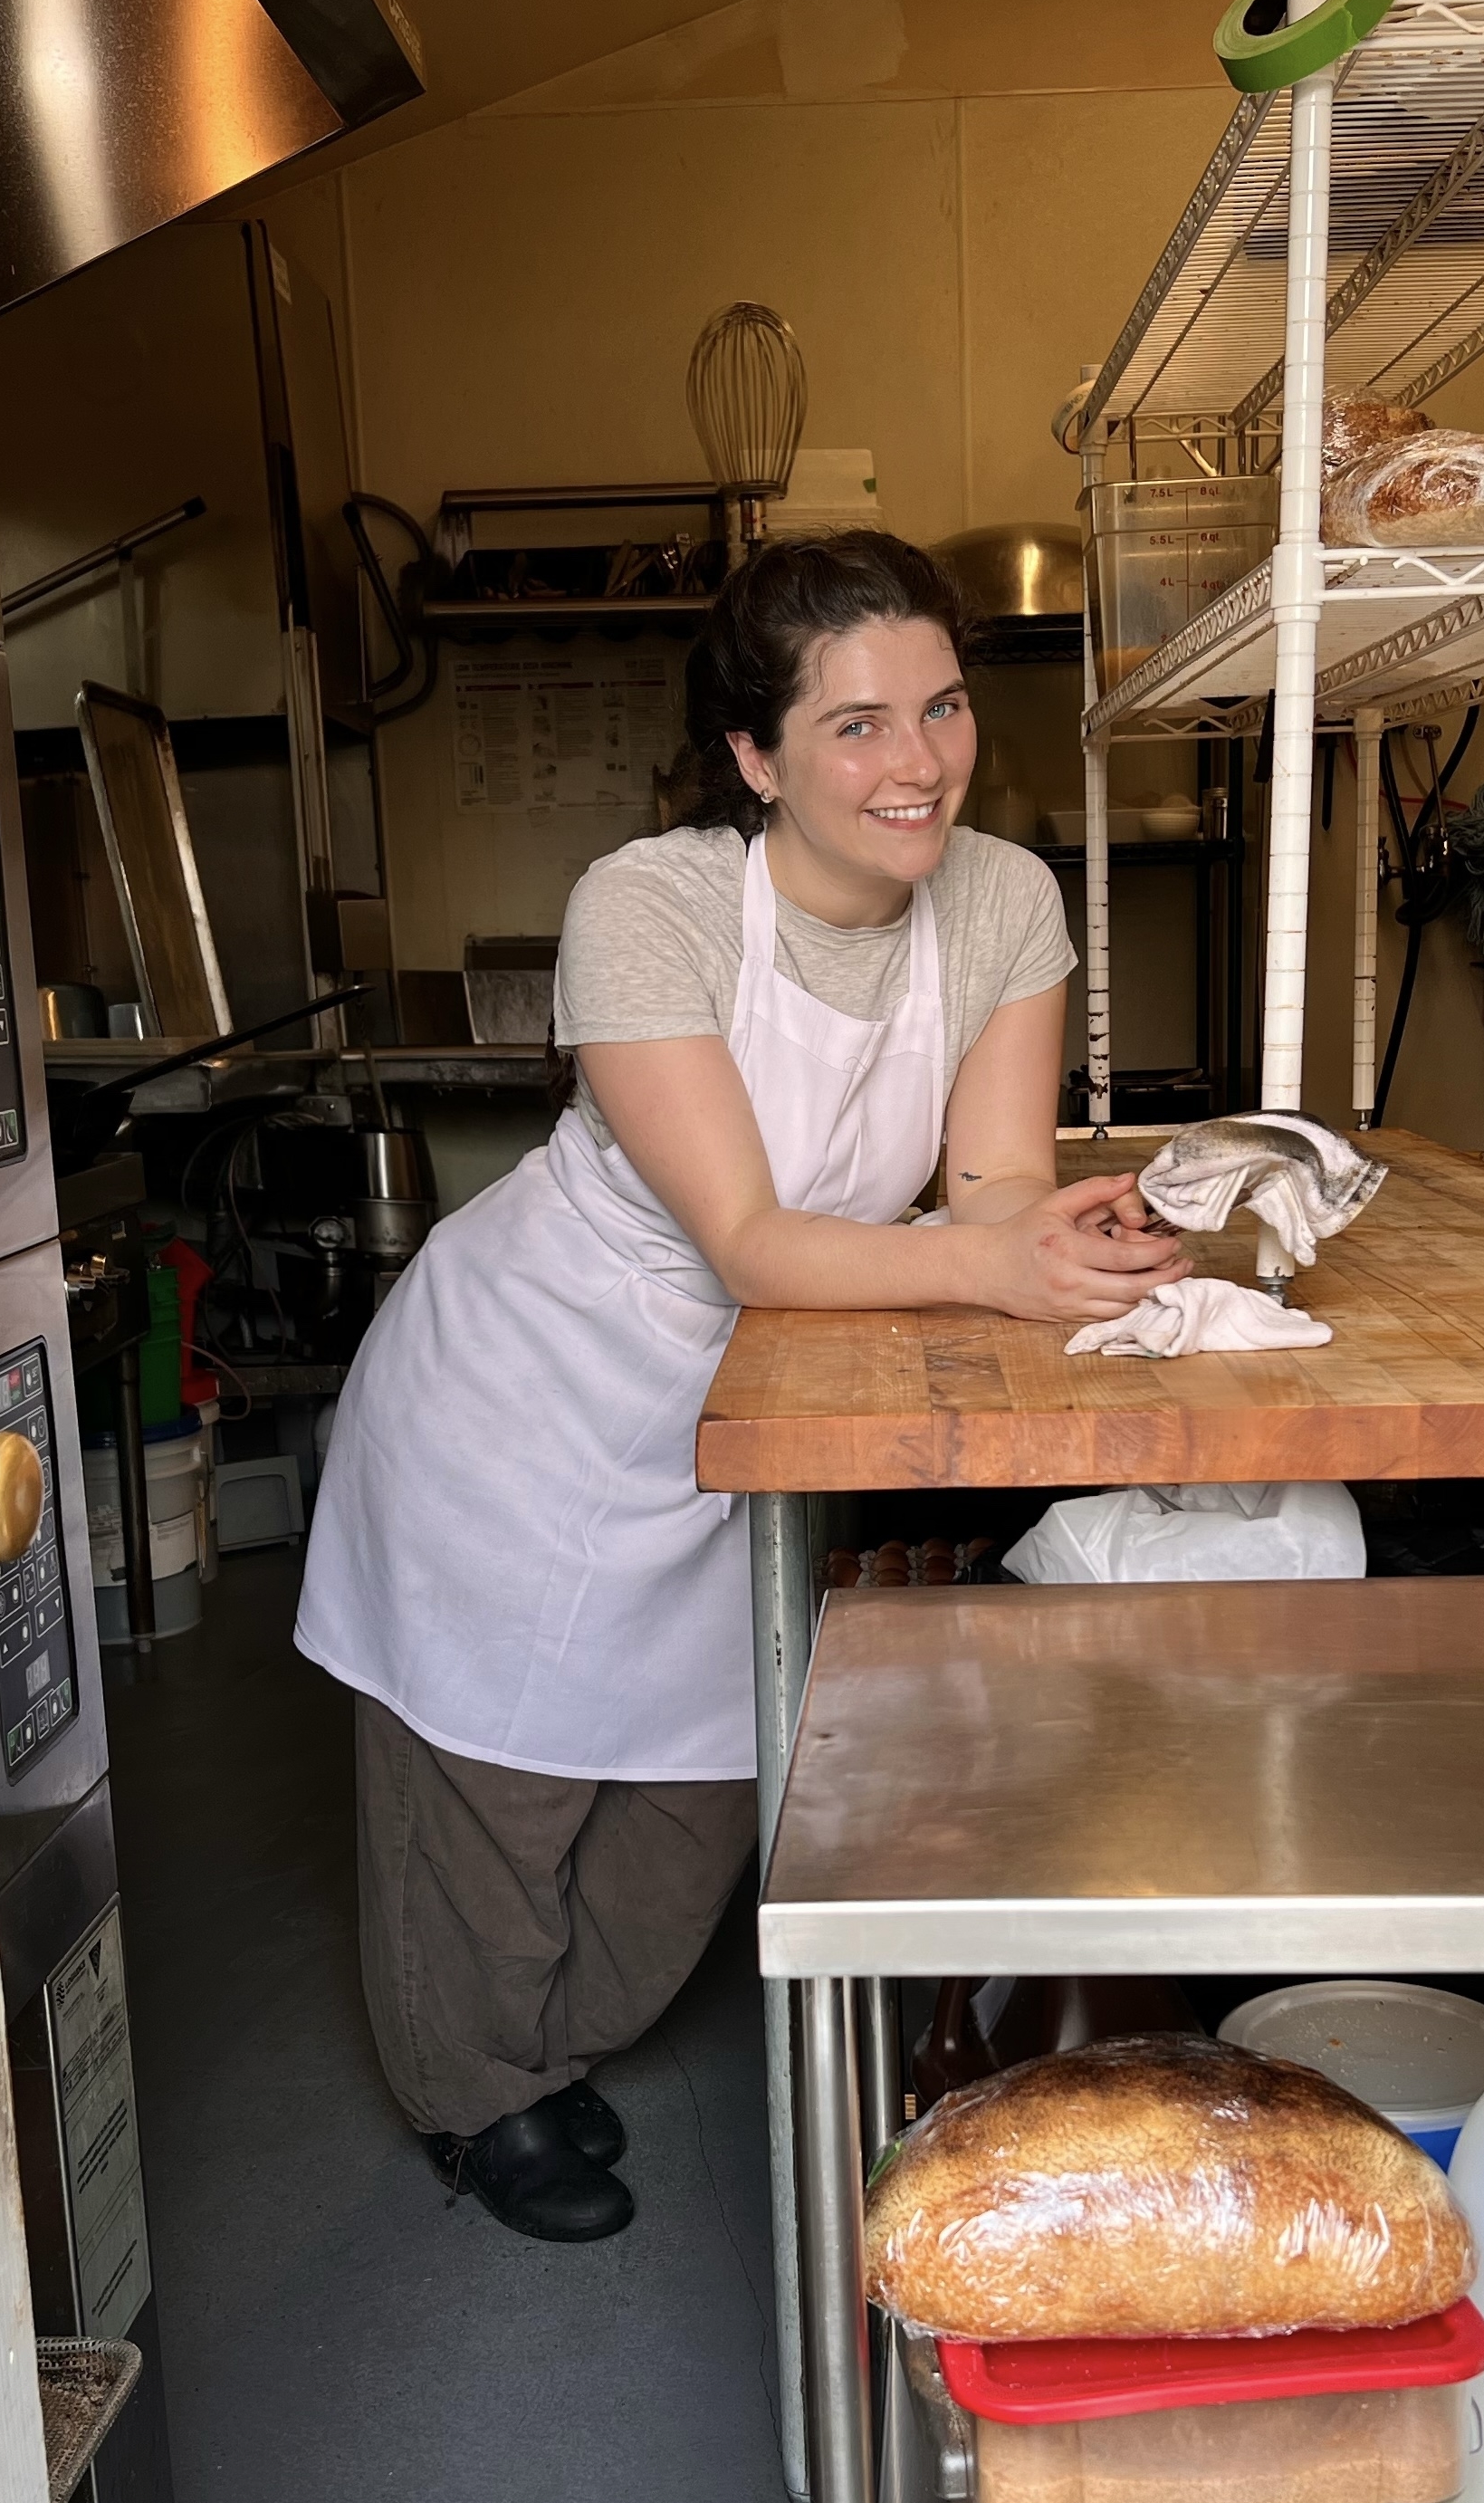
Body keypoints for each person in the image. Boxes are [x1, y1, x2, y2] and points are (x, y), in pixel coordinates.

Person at [296, 532, 1187, 2239]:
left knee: (685, 1819)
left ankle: (552, 2049)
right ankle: (476, 2098)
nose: (913, 762)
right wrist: (988, 1262)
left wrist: (1053, 1226)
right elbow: (752, 1236)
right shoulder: (652, 906)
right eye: (853, 727)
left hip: (753, 1414)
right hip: (531, 1395)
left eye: (936, 709)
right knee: (492, 1796)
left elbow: (990, 1178)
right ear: (756, 756)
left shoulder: (1002, 898)